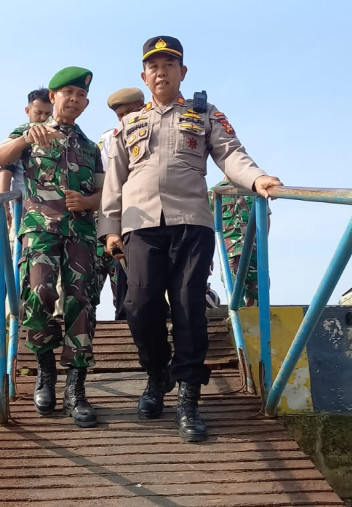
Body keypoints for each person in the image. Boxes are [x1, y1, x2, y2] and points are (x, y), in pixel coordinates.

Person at [99, 36, 282, 442]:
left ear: (183, 72)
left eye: (169, 64)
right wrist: (109, 230)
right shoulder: (128, 125)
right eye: (154, 66)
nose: (161, 71)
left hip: (191, 221)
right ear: (144, 76)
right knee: (139, 304)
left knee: (188, 306)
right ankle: (157, 373)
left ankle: (188, 397)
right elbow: (114, 182)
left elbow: (230, 153)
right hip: (140, 223)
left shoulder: (206, 115)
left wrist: (257, 178)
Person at [0, 67, 103, 428]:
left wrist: (87, 202)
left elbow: (105, 192)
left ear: (85, 104)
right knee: (38, 294)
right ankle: (45, 370)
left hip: (81, 233)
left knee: (80, 301)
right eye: (67, 92)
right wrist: (25, 141)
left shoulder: (90, 147)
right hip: (40, 229)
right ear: (52, 97)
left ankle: (76, 389)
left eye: (81, 95)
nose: (74, 99)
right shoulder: (28, 133)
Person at [94, 88, 145, 320]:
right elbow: (106, 181)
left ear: (143, 106)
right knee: (118, 269)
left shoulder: (153, 127)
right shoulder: (109, 138)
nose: (126, 118)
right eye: (120, 114)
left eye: (132, 111)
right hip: (120, 212)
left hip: (148, 211)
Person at [209, 179, 271, 307]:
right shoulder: (214, 192)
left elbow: (265, 217)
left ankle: (256, 324)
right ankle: (238, 323)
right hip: (230, 252)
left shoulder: (255, 189)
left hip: (255, 251)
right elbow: (207, 224)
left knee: (259, 293)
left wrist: (262, 244)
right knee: (234, 296)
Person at [0, 88, 54, 194]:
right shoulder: (21, 134)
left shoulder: (58, 134)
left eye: (48, 114)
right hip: (26, 205)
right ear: (28, 111)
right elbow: (6, 168)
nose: (43, 118)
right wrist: (3, 205)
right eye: (38, 112)